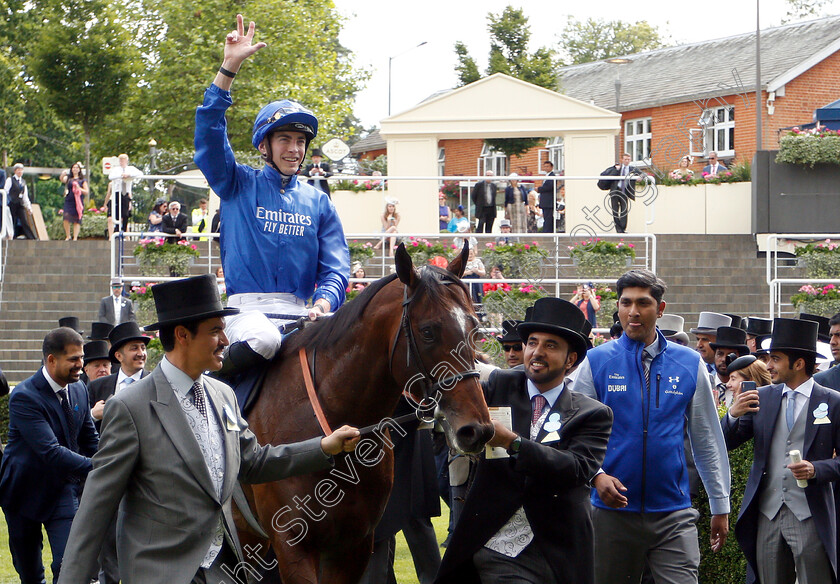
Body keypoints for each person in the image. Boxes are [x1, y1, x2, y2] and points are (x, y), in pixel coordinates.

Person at [57, 274, 361, 584]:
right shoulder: (130, 406)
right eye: (216, 331)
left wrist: (325, 447)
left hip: (224, 572)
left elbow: (253, 461)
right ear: (182, 334)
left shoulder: (223, 395)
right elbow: (97, 507)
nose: (227, 341)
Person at [193, 15, 349, 374]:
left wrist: (324, 303)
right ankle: (212, 392)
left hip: (304, 312)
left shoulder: (318, 201)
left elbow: (336, 268)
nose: (294, 149)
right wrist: (229, 67)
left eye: (300, 142)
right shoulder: (237, 182)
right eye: (285, 140)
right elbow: (209, 136)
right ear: (264, 145)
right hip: (248, 314)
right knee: (265, 341)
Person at [435, 297, 613, 584]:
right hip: (495, 545)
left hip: (557, 551)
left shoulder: (592, 413)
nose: (536, 352)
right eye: (532, 342)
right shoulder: (496, 387)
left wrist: (514, 443)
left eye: (550, 345)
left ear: (571, 359)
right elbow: (452, 396)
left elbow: (576, 469)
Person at [572, 269, 731, 584]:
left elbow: (707, 438)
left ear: (660, 309)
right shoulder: (596, 362)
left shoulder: (689, 363)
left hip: (673, 513)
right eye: (626, 302)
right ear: (617, 307)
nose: (633, 311)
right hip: (610, 514)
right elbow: (571, 430)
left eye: (643, 303)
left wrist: (720, 504)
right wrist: (596, 476)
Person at [723, 317, 840, 584]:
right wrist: (732, 414)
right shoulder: (762, 397)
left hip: (810, 514)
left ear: (798, 364)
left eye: (775, 358)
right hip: (767, 514)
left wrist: (816, 469)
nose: (767, 365)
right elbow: (725, 443)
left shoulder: (833, 402)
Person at [0, 327, 99, 584]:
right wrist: (100, 465)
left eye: (82, 358)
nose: (81, 365)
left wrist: (108, 460)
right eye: (74, 359)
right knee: (30, 573)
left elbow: (89, 439)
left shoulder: (79, 390)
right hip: (23, 493)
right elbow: (51, 452)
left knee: (69, 564)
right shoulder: (24, 396)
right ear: (51, 360)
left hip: (63, 491)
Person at [709, 326, 751, 407]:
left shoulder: (746, 390)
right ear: (714, 355)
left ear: (739, 357)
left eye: (730, 355)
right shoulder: (705, 385)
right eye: (720, 354)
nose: (724, 359)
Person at [690, 311, 733, 387]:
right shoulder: (692, 367)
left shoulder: (731, 371)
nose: (699, 345)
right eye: (698, 339)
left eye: (705, 339)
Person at [597, 153, 637, 234]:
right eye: (625, 159)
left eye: (628, 159)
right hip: (615, 191)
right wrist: (616, 170)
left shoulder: (632, 169)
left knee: (624, 210)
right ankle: (618, 229)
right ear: (622, 160)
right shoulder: (616, 168)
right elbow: (604, 174)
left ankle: (622, 228)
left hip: (624, 191)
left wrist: (640, 178)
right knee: (615, 211)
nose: (627, 161)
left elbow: (642, 174)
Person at [105, 154, 143, 237]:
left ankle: (124, 230)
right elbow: (111, 177)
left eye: (123, 160)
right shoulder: (116, 170)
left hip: (126, 193)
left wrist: (129, 175)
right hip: (117, 193)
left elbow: (140, 174)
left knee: (125, 214)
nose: (122, 162)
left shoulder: (131, 169)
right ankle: (116, 230)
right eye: (120, 160)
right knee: (116, 213)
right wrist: (121, 176)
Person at [4, 163, 36, 239]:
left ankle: (31, 237)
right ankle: (12, 236)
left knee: (24, 220)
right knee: (12, 220)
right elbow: (6, 191)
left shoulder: (23, 182)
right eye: (18, 170)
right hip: (12, 203)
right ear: (15, 171)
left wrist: (29, 207)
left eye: (21, 170)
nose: (20, 172)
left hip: (20, 204)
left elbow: (25, 196)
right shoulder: (10, 180)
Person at [60, 162, 88, 241]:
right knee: (66, 217)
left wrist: (79, 188)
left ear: (79, 170)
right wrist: (64, 173)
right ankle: (68, 235)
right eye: (74, 168)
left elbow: (86, 191)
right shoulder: (69, 179)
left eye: (77, 168)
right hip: (69, 200)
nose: (75, 169)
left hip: (78, 200)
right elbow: (62, 179)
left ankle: (75, 237)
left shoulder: (82, 180)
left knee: (77, 219)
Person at [537, 161, 558, 234]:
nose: (546, 168)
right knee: (546, 217)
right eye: (545, 166)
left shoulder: (552, 176)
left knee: (548, 218)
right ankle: (546, 231)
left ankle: (548, 232)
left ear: (551, 167)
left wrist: (539, 189)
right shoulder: (546, 176)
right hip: (545, 202)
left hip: (549, 202)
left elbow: (549, 187)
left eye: (547, 166)